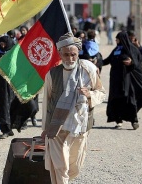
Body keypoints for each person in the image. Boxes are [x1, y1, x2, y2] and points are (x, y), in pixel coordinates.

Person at [41, 32, 106, 184]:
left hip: (80, 126)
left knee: (74, 167)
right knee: (60, 166)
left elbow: (101, 92)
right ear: (60, 54)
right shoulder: (52, 74)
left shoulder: (88, 69)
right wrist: (45, 128)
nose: (70, 59)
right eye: (66, 55)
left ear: (78, 53)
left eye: (73, 55)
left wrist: (89, 94)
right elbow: (47, 103)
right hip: (57, 127)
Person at [103, 32, 142, 129]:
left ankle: (134, 120)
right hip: (116, 80)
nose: (116, 41)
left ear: (122, 39)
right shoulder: (116, 49)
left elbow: (138, 62)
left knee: (130, 100)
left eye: (117, 39)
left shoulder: (132, 49)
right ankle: (118, 119)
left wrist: (131, 63)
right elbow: (107, 60)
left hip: (127, 79)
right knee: (117, 99)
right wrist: (97, 61)